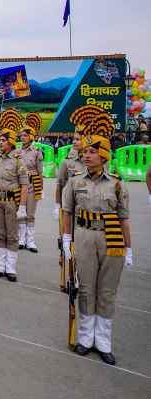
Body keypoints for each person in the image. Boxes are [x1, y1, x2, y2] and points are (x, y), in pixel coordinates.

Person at [62, 112, 132, 365]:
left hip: (112, 237)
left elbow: (124, 218)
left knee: (107, 290)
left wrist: (129, 247)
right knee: (86, 287)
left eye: (92, 151)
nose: (86, 155)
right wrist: (67, 239)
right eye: (85, 151)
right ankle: (85, 338)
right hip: (83, 235)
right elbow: (67, 211)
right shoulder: (75, 181)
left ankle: (103, 342)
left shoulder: (116, 185)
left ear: (103, 155)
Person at [0, 124, 29, 281]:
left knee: (12, 235)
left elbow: (24, 185)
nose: (0, 143)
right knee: (0, 233)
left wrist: (23, 207)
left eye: (3, 140)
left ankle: (10, 269)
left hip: (12, 202)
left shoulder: (18, 161)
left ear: (11, 142)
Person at [17, 127, 44, 252]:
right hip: (20, 186)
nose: (23, 138)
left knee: (30, 214)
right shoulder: (17, 151)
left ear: (31, 137)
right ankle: (22, 239)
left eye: (25, 136)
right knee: (21, 213)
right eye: (21, 136)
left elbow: (40, 172)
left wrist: (41, 189)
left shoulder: (36, 152)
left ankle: (31, 241)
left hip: (33, 185)